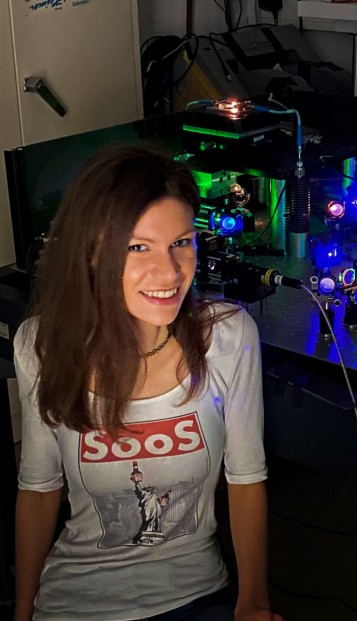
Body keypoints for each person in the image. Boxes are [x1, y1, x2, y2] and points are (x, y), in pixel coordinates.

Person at [13, 143, 284, 621]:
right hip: (75, 601)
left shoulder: (226, 336)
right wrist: (22, 613)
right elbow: (38, 489)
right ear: (92, 252)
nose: (170, 271)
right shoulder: (42, 344)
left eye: (181, 242)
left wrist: (253, 603)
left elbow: (246, 480)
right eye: (138, 247)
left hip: (196, 595)